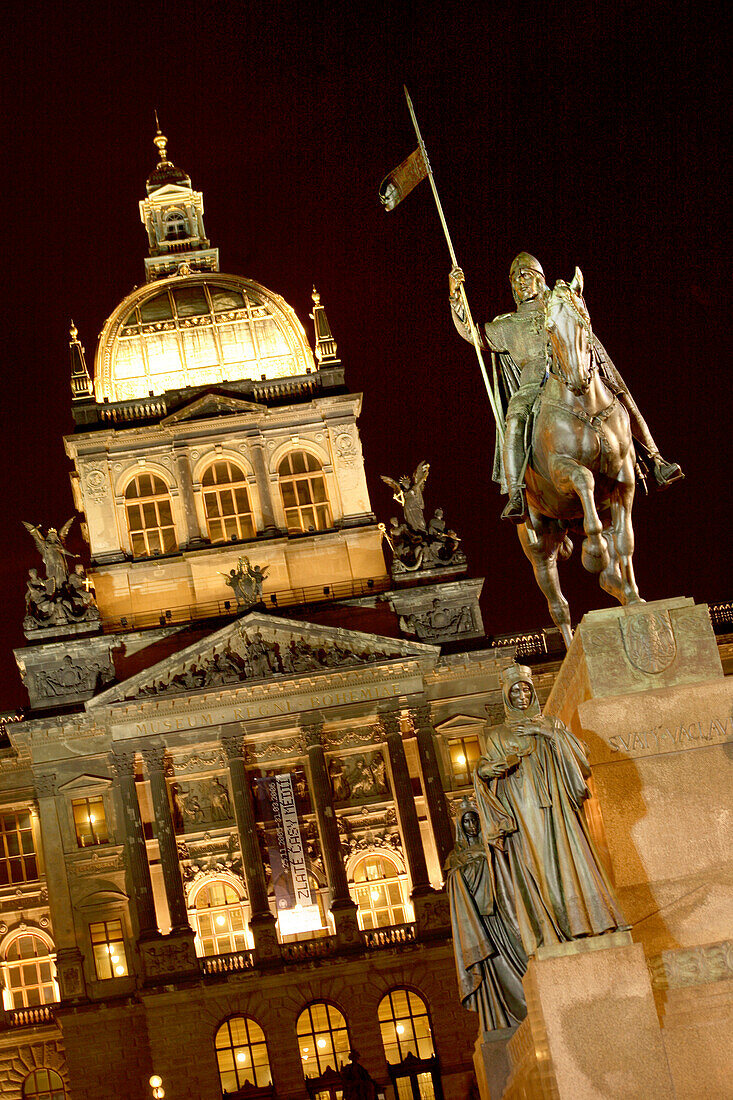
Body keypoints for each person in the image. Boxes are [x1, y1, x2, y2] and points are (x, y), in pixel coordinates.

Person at [449, 255, 682, 522]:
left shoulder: (558, 306)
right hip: (532, 385)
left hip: (574, 368)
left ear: (540, 279)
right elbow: (473, 333)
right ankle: (516, 495)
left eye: (526, 275)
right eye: (516, 279)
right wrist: (456, 297)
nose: (521, 282)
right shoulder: (507, 325)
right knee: (514, 420)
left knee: (619, 396)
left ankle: (655, 460)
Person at [474, 664, 627, 957]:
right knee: (538, 866)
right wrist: (487, 769)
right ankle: (551, 930)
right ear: (506, 697)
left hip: (557, 809)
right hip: (524, 814)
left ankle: (588, 921)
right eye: (515, 690)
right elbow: (484, 771)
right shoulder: (498, 736)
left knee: (572, 858)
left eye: (525, 689)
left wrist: (544, 731)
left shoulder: (552, 724)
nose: (521, 695)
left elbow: (581, 760)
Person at [446, 805, 527, 1030]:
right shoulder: (455, 859)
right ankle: (500, 1019)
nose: (472, 826)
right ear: (460, 827)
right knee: (491, 971)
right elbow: (456, 889)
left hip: (502, 915)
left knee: (520, 959)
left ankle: (527, 1005)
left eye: (474, 820)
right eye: (467, 822)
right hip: (478, 924)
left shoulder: (493, 846)